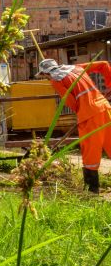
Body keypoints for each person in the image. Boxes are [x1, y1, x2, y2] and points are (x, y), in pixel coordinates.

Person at [37, 58, 111, 193]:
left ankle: (92, 192)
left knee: (90, 154)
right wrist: (110, 85)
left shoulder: (56, 81)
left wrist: (81, 111)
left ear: (46, 74)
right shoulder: (76, 68)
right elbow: (104, 65)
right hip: (105, 108)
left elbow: (72, 103)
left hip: (89, 116)